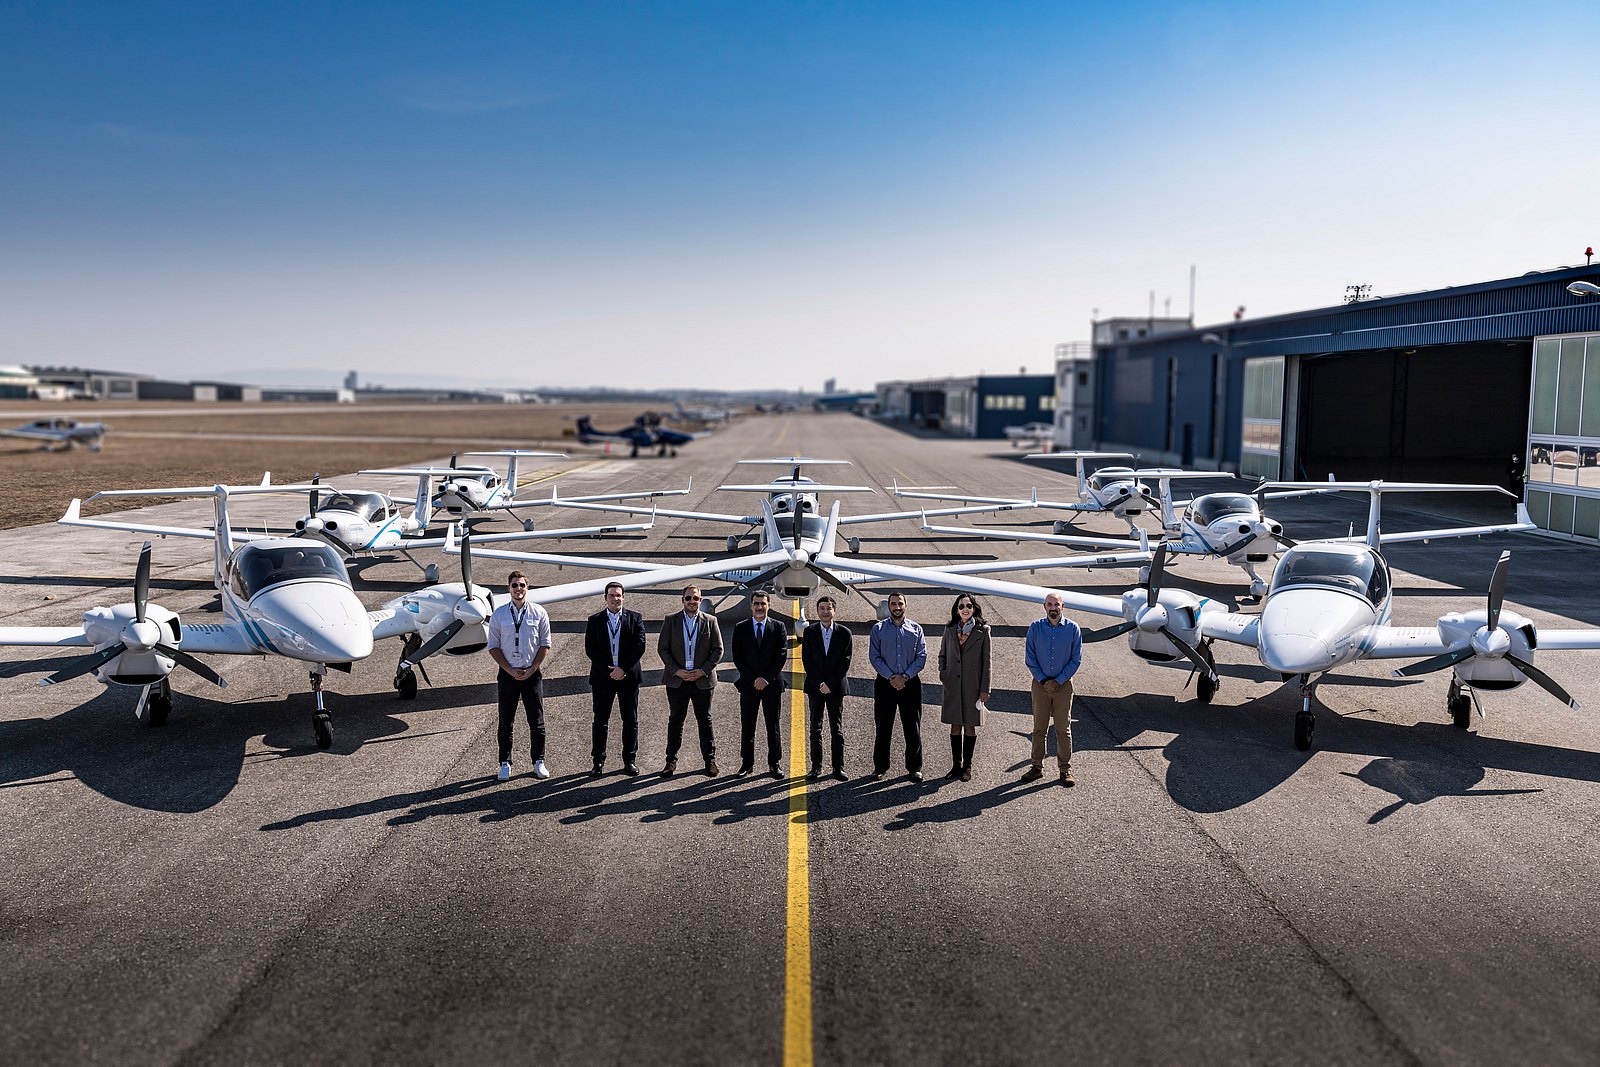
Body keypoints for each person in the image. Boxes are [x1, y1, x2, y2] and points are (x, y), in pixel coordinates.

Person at [486, 570, 553, 782]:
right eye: (514, 585)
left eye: (522, 585)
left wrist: (532, 668)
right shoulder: (499, 615)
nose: (518, 589)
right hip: (508, 675)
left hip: (532, 674)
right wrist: (509, 670)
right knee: (506, 721)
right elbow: (493, 646)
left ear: (527, 587)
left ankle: (538, 761)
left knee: (537, 721)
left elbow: (545, 644)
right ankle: (504, 762)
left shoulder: (539, 612)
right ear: (508, 589)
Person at [658, 584, 723, 777]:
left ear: (700, 601)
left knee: (705, 720)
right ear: (682, 600)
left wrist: (703, 671)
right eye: (688, 598)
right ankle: (670, 761)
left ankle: (710, 760)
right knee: (676, 720)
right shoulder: (671, 621)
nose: (692, 602)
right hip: (677, 681)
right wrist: (676, 671)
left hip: (702, 681)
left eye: (695, 598)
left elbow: (718, 650)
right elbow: (663, 649)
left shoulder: (710, 621)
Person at [584, 582, 647, 777]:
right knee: (601, 720)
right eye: (612, 595)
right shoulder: (594, 620)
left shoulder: (635, 618)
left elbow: (640, 645)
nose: (615, 598)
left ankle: (629, 760)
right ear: (605, 598)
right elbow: (591, 649)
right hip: (604, 678)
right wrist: (609, 671)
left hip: (628, 676)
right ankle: (598, 761)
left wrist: (622, 669)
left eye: (619, 595)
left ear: (623, 597)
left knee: (630, 720)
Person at [1023, 591, 1082, 786]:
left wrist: (1059, 680)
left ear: (1062, 607)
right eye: (1049, 605)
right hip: (1040, 686)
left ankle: (1065, 769)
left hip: (1063, 686)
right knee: (1039, 728)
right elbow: (1030, 658)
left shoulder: (1073, 629)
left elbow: (1076, 660)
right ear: (1044, 607)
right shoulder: (1035, 628)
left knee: (1063, 729)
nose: (1053, 608)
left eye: (1056, 605)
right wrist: (1043, 680)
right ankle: (1036, 767)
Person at [868, 591, 927, 782]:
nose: (897, 607)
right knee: (883, 727)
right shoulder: (878, 629)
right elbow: (874, 657)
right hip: (885, 684)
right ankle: (880, 767)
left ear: (905, 606)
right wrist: (892, 677)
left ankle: (914, 767)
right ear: (889, 606)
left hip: (910, 684)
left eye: (900, 604)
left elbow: (921, 656)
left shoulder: (916, 629)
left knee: (913, 727)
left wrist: (906, 676)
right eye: (893, 604)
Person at [731, 591, 788, 778]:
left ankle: (774, 763)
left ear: (769, 606)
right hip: (749, 685)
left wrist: (766, 679)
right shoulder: (741, 627)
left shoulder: (779, 627)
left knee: (773, 726)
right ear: (750, 606)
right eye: (756, 603)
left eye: (763, 604)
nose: (759, 607)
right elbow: (738, 657)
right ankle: (746, 764)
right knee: (748, 725)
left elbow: (781, 656)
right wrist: (753, 679)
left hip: (771, 685)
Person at [800, 594, 852, 781]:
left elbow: (845, 661)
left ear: (834, 611)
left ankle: (838, 767)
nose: (825, 611)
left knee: (836, 729)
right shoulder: (810, 632)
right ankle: (816, 766)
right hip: (815, 687)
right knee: (815, 727)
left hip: (835, 688)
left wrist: (829, 683)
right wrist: (820, 683)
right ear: (817, 611)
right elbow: (807, 660)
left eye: (828, 608)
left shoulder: (845, 633)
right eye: (822, 608)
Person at [938, 594, 990, 782]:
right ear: (957, 610)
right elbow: (942, 654)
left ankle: (967, 765)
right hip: (952, 683)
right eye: (961, 606)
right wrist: (943, 673)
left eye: (968, 606)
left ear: (974, 608)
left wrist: (985, 688)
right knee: (955, 724)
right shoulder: (950, 628)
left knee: (969, 725)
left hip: (972, 686)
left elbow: (987, 661)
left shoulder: (983, 631)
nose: (965, 609)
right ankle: (955, 765)